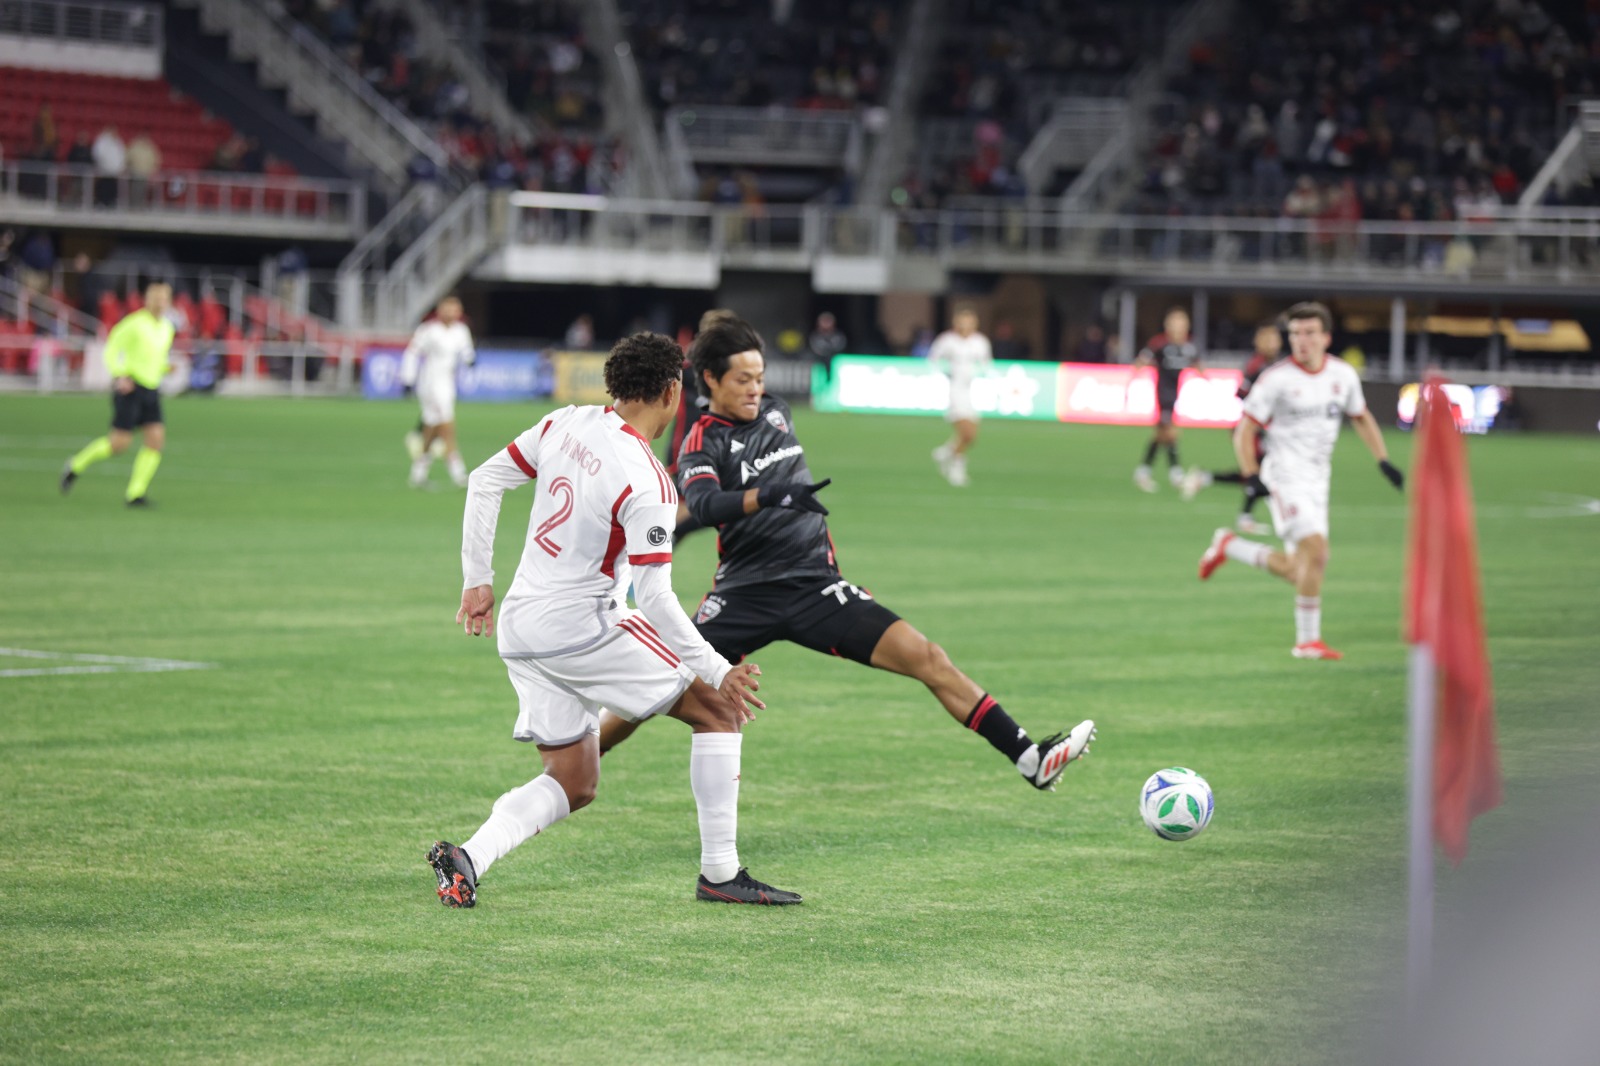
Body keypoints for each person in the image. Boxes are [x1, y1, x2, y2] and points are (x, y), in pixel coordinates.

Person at [598, 318, 1094, 792]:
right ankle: (574, 765)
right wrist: (768, 496)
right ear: (710, 379)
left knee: (927, 657)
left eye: (759, 377)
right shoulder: (702, 442)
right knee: (656, 683)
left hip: (817, 586)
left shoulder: (776, 411)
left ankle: (1031, 758)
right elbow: (703, 505)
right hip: (745, 595)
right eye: (743, 379)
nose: (755, 388)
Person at [429, 331, 799, 908]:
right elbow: (654, 597)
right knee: (719, 709)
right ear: (674, 390)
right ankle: (720, 874)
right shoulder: (648, 479)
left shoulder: (564, 422)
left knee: (575, 781)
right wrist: (717, 667)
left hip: (522, 629)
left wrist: (479, 581)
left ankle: (468, 858)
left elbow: (485, 480)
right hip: (582, 627)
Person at [1198, 302, 1405, 659]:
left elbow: (1361, 416)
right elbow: (1243, 430)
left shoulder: (1342, 376)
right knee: (1318, 551)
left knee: (1300, 570)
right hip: (1284, 476)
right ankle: (1307, 642)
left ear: (1326, 337)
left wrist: (1383, 460)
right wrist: (1251, 475)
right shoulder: (1276, 379)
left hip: (1318, 480)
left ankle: (1229, 545)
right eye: (1294, 334)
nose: (1301, 340)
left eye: (1309, 333)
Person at [60, 281, 176, 507]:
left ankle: (135, 494)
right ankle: (75, 465)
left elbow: (155, 357)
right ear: (148, 300)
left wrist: (165, 367)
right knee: (118, 444)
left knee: (155, 440)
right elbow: (112, 347)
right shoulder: (134, 323)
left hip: (151, 389)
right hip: (131, 388)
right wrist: (119, 375)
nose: (162, 303)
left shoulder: (166, 327)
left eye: (165, 299)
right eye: (158, 298)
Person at [1180, 322, 1283, 534]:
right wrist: (1262, 412)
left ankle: (1205, 479)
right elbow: (1241, 393)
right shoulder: (1257, 366)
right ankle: (1247, 516)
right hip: (1251, 429)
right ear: (1259, 342)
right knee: (1259, 472)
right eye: (1268, 339)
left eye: (1275, 338)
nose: (1273, 343)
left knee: (1256, 473)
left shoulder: (1275, 365)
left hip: (1263, 428)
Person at [400, 295, 476, 488]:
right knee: (447, 426)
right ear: (440, 310)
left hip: (448, 384)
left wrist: (470, 360)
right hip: (431, 384)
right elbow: (412, 353)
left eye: (455, 309)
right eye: (448, 308)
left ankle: (418, 474)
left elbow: (466, 351)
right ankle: (459, 474)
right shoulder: (429, 330)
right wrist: (408, 379)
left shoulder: (461, 330)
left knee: (432, 429)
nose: (452, 313)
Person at [1133, 307, 1202, 492]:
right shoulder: (1159, 343)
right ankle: (1175, 473)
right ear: (1168, 325)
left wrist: (1205, 378)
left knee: (1162, 436)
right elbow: (1141, 360)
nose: (1179, 326)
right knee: (1171, 433)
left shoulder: (1189, 346)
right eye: (1175, 322)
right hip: (1163, 395)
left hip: (1176, 395)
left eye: (1182, 322)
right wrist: (1136, 371)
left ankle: (1144, 472)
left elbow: (1197, 364)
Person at [929, 307, 993, 487]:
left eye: (970, 320)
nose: (966, 324)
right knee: (965, 431)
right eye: (963, 320)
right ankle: (957, 469)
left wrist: (984, 377)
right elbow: (933, 359)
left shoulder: (980, 341)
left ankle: (945, 453)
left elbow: (987, 364)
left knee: (971, 436)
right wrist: (945, 374)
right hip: (955, 389)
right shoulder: (947, 340)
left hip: (973, 389)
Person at [806, 311, 847, 384]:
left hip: (834, 364)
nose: (826, 324)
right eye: (824, 321)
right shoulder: (815, 336)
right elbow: (816, 349)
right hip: (818, 364)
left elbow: (840, 347)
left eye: (828, 321)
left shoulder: (838, 336)